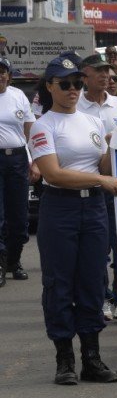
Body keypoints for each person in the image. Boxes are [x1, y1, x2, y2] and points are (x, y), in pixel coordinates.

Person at [29, 55, 117, 385]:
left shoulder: (92, 121)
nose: (72, 89)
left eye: (76, 83)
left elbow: (104, 167)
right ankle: (64, 359)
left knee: (93, 281)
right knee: (59, 283)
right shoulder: (45, 125)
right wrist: (100, 180)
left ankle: (92, 357)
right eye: (65, 84)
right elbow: (53, 173)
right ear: (50, 87)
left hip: (94, 209)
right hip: (60, 208)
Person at [77, 54, 117, 321]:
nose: (106, 76)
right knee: (97, 246)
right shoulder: (77, 106)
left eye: (108, 72)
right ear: (85, 76)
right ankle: (101, 296)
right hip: (92, 181)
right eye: (99, 71)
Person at [0, 56, 36, 286]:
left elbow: (29, 130)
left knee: (19, 216)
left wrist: (35, 160)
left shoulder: (18, 96)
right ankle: (0, 263)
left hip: (18, 160)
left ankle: (14, 260)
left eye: (4, 72)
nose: (0, 75)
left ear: (9, 76)